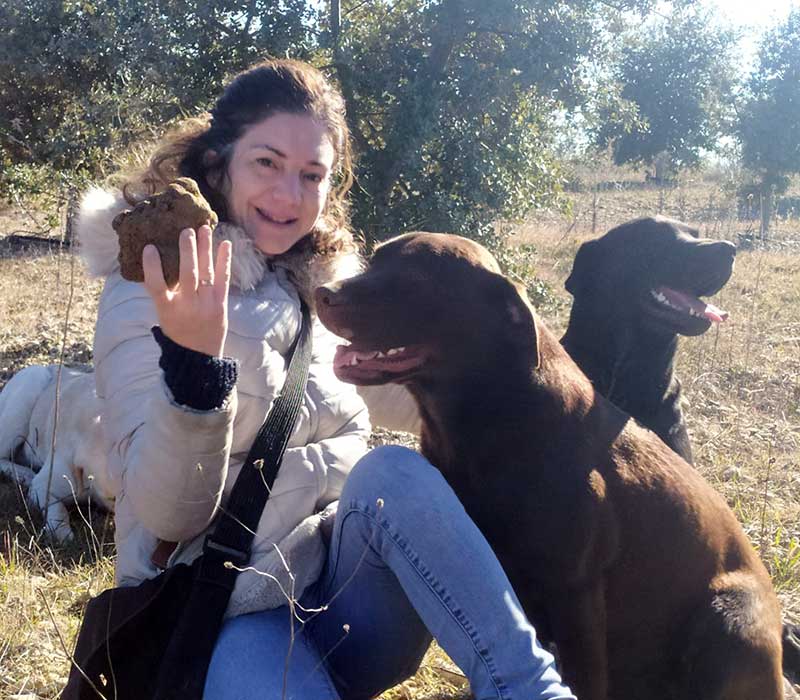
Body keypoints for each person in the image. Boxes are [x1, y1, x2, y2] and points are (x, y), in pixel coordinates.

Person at [77, 58, 576, 700]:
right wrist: (193, 370)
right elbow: (166, 514)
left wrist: (508, 365)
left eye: (311, 175)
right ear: (218, 159)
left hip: (346, 593)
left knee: (391, 473)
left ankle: (532, 689)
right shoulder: (149, 290)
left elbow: (410, 403)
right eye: (267, 163)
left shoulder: (324, 290)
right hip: (227, 612)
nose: (289, 196)